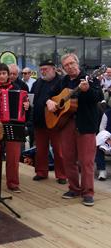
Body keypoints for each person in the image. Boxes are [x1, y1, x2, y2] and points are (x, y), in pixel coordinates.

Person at [46, 53, 103, 207]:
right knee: (68, 159)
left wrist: (87, 90)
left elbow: (98, 97)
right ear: (63, 68)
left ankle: (88, 192)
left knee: (86, 162)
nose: (70, 67)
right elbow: (50, 94)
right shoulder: (63, 81)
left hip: (85, 125)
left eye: (72, 63)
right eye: (66, 65)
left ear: (77, 63)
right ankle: (74, 188)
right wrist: (49, 101)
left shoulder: (91, 78)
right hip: (66, 124)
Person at [0, 63, 30, 193]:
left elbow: (27, 109)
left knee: (13, 155)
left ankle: (13, 183)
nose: (2, 76)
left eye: (4, 73)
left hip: (14, 124)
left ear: (8, 75)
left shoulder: (18, 88)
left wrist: (26, 107)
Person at [30, 60, 66, 184]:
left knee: (59, 150)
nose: (43, 71)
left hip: (55, 122)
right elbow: (33, 100)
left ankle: (61, 175)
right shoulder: (37, 83)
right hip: (39, 121)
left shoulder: (61, 81)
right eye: (41, 69)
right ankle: (41, 172)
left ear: (53, 69)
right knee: (40, 150)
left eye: (46, 69)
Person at [95, 108, 111, 180]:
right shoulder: (107, 113)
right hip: (108, 138)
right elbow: (102, 129)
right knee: (98, 145)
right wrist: (108, 139)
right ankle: (102, 170)